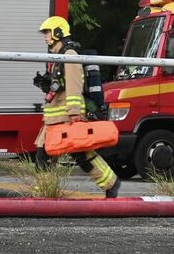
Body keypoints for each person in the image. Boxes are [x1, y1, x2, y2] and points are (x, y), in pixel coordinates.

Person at [35, 16, 121, 198]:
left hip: (65, 116)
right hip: (55, 117)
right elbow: (60, 86)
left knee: (77, 155)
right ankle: (43, 193)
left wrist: (74, 113)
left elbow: (74, 85)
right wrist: (45, 83)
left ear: (58, 32)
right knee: (47, 154)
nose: (45, 37)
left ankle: (111, 184)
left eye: (47, 32)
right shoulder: (57, 56)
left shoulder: (69, 55)